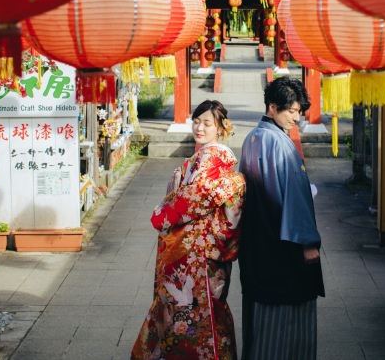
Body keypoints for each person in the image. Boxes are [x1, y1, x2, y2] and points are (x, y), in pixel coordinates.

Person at [131, 100, 245, 360]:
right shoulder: (201, 158)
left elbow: (192, 198)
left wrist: (165, 211)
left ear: (220, 128)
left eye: (207, 123)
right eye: (196, 121)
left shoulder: (213, 159)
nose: (199, 127)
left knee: (198, 310)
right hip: (193, 250)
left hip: (199, 253)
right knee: (189, 309)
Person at [238, 76, 325, 360]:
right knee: (290, 317)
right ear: (273, 107)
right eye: (292, 111)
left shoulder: (251, 139)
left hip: (258, 238)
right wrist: (308, 242)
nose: (296, 118)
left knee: (260, 315)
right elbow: (295, 195)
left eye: (299, 112)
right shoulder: (281, 144)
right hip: (283, 242)